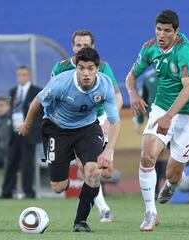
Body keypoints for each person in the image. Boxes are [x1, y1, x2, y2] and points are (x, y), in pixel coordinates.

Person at [19, 47, 120, 232]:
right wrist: (26, 125)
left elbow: (115, 122)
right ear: (76, 69)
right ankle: (68, 157)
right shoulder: (61, 83)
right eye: (81, 68)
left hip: (87, 129)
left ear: (97, 68)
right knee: (59, 187)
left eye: (90, 68)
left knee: (93, 171)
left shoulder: (105, 85)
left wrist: (108, 150)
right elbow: (37, 102)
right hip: (57, 130)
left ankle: (80, 221)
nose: (86, 73)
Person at [126, 9, 189, 231]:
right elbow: (131, 76)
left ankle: (172, 183)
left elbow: (188, 87)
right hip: (161, 106)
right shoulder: (149, 47)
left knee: (173, 172)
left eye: (167, 31)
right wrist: (133, 94)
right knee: (147, 156)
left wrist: (170, 117)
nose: (162, 34)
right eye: (159, 29)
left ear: (176, 31)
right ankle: (150, 213)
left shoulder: (184, 50)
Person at [51, 29, 122, 222]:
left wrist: (108, 119)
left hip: (98, 119)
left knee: (105, 171)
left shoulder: (102, 67)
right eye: (79, 45)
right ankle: (103, 209)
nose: (82, 48)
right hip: (72, 124)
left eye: (87, 45)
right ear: (73, 47)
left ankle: (96, 203)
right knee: (87, 166)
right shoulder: (60, 68)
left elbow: (117, 96)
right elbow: (51, 99)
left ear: (93, 47)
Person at [0, 66, 42, 199]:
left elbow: (40, 112)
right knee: (11, 161)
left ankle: (28, 191)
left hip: (29, 133)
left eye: (24, 74)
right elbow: (9, 108)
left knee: (27, 163)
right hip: (14, 132)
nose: (21, 77)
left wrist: (31, 128)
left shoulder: (37, 91)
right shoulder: (12, 92)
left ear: (29, 75)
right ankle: (7, 191)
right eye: (19, 75)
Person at [132, 69, 167, 196]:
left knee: (177, 155)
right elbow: (143, 99)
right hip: (157, 121)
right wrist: (139, 119)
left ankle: (173, 185)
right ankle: (155, 190)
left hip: (177, 119)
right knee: (154, 155)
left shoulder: (176, 72)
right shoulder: (149, 77)